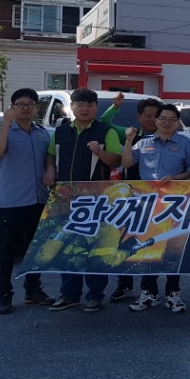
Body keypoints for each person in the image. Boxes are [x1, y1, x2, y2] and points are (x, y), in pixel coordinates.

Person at [47, 88, 123, 312]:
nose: (85, 109)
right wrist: (49, 170)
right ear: (71, 107)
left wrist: (100, 152)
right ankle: (69, 294)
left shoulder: (106, 131)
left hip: (95, 200)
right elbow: (51, 155)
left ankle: (95, 294)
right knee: (67, 246)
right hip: (65, 198)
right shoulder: (60, 132)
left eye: (89, 105)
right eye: (80, 104)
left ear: (96, 108)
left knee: (93, 247)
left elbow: (116, 160)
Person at [120, 103, 190, 313]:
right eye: (163, 119)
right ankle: (149, 293)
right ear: (156, 121)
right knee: (146, 248)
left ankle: (173, 294)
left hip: (174, 204)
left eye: (172, 120)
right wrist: (128, 141)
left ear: (177, 122)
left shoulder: (186, 144)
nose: (167, 123)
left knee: (172, 248)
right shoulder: (143, 143)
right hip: (147, 204)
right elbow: (126, 163)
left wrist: (177, 178)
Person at [0, 88, 54, 315]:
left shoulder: (42, 133)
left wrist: (50, 169)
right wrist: (6, 123)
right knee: (6, 251)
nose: (26, 108)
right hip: (12, 201)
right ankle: (4, 295)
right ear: (12, 107)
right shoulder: (3, 130)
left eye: (30, 104)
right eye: (20, 104)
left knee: (35, 250)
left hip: (38, 199)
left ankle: (33, 290)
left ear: (36, 108)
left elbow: (49, 157)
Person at [103, 94, 163, 303]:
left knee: (147, 243)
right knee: (122, 240)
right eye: (148, 115)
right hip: (131, 197)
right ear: (139, 117)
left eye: (156, 116)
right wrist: (114, 107)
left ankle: (149, 288)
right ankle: (125, 284)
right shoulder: (130, 134)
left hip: (157, 199)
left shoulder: (167, 136)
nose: (152, 119)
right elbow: (104, 124)